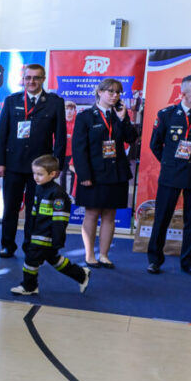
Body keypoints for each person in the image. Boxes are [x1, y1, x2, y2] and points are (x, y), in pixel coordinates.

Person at [146, 75, 191, 277]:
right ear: (184, 94)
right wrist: (170, 163)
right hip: (171, 173)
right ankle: (155, 260)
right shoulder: (167, 114)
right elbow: (155, 144)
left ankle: (188, 262)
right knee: (162, 218)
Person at [0, 63, 66, 258]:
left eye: (36, 78)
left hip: (41, 168)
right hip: (14, 164)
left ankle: (30, 245)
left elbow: (60, 137)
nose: (32, 81)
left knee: (36, 209)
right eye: (28, 78)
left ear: (43, 79)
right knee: (11, 208)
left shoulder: (54, 103)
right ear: (23, 79)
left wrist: (56, 165)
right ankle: (7, 244)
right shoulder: (11, 101)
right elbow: (1, 134)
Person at [72, 78, 137, 268]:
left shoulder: (119, 115)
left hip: (117, 173)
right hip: (93, 173)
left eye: (118, 92)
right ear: (99, 92)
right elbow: (78, 148)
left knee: (110, 214)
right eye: (110, 91)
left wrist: (124, 118)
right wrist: (83, 176)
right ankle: (90, 254)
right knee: (92, 213)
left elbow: (131, 138)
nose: (115, 95)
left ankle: (104, 255)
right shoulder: (85, 116)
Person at [10, 155, 91, 296]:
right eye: (34, 173)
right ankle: (81, 274)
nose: (35, 177)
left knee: (31, 259)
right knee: (54, 259)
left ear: (52, 174)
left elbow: (60, 220)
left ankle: (29, 287)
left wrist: (57, 239)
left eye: (40, 174)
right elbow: (34, 213)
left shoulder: (58, 194)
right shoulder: (39, 188)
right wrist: (29, 231)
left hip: (46, 236)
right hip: (36, 232)